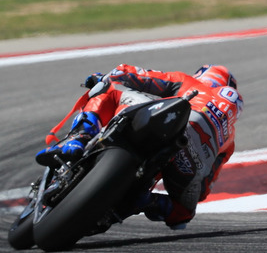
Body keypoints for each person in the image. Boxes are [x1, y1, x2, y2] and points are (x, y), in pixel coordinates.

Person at [36, 64, 243, 230]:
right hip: (188, 163)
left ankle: (78, 139)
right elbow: (204, 189)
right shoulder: (229, 142)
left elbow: (134, 74)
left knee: (110, 93)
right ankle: (143, 201)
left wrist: (107, 76)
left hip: (159, 125)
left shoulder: (190, 82)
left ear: (205, 76)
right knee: (183, 214)